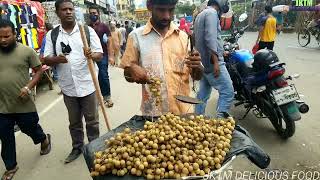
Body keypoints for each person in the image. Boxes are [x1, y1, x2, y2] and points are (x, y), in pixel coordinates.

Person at [43, 0, 103, 163]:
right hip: (68, 87)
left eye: (71, 9)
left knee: (92, 121)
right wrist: (56, 59)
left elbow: (100, 54)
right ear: (57, 13)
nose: (68, 12)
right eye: (64, 9)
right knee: (74, 121)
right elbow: (46, 59)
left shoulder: (87, 31)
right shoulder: (52, 35)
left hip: (88, 84)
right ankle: (77, 147)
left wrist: (92, 55)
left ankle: (94, 147)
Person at [120, 0, 203, 116]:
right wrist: (131, 70)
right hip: (153, 114)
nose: (167, 16)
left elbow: (197, 76)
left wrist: (198, 67)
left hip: (183, 113)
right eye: (161, 10)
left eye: (171, 10)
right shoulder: (136, 37)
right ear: (150, 6)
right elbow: (127, 75)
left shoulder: (184, 38)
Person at [0, 19, 51, 180]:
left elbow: (38, 71)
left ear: (15, 34)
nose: (3, 40)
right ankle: (10, 166)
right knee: (5, 136)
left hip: (23, 103)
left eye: (6, 36)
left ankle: (43, 139)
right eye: (0, 37)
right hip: (2, 106)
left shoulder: (27, 51)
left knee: (29, 127)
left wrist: (28, 87)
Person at [193, 0, 234, 118]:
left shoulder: (200, 15)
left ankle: (197, 118)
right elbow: (210, 38)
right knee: (228, 92)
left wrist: (220, 51)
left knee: (203, 94)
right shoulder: (212, 13)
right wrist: (216, 61)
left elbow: (196, 38)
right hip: (212, 63)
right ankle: (220, 123)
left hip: (204, 64)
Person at [88, 5, 114, 107]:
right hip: (90, 56)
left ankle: (107, 97)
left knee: (103, 76)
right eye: (91, 13)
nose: (93, 15)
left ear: (98, 14)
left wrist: (111, 56)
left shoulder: (104, 26)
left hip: (103, 55)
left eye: (94, 13)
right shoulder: (87, 27)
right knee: (92, 78)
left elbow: (109, 42)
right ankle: (97, 98)